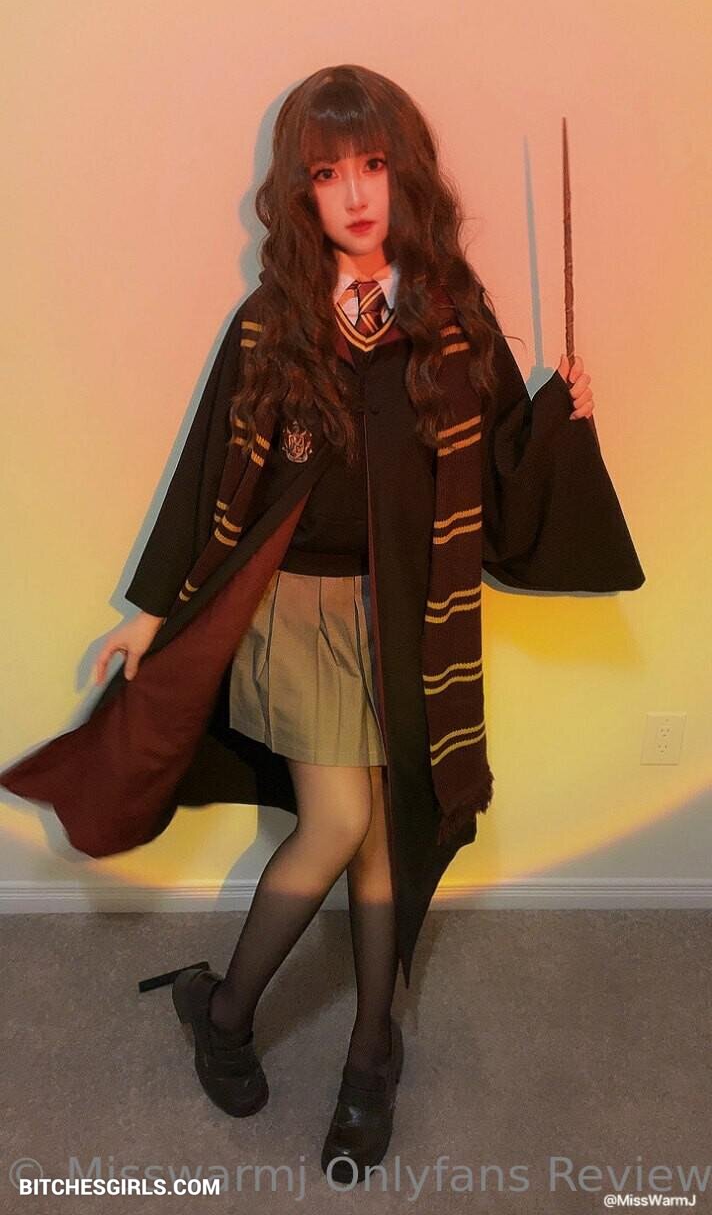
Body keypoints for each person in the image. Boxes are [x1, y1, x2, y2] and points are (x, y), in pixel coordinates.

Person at [2, 64, 643, 1186]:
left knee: (387, 832)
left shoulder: (452, 316)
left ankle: (366, 1054)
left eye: (374, 166)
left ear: (406, 175)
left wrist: (559, 417)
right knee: (342, 818)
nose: (354, 193)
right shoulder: (273, 323)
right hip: (293, 613)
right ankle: (229, 1014)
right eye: (327, 173)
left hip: (403, 617)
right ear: (299, 192)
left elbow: (499, 472)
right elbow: (211, 468)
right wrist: (151, 611)